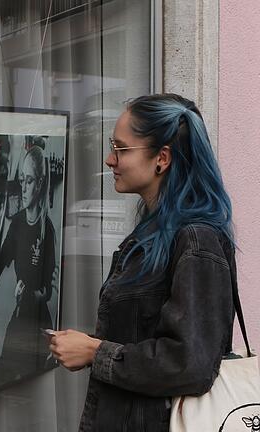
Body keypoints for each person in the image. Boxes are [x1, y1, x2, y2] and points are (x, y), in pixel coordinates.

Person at [48, 94, 236, 431]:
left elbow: (190, 363)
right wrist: (89, 345)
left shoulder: (195, 239)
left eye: (121, 148)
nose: (109, 159)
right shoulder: (155, 231)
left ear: (161, 158)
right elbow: (145, 333)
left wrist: (94, 351)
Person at [0, 144, 58, 387]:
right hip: (18, 320)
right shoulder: (17, 224)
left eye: (28, 181)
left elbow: (49, 289)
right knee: (1, 379)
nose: (23, 188)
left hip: (36, 325)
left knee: (13, 380)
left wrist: (29, 295)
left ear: (39, 184)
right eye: (21, 180)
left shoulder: (46, 230)